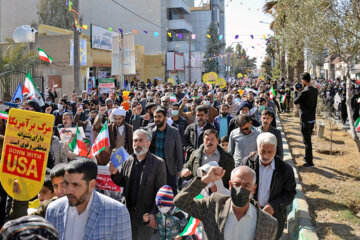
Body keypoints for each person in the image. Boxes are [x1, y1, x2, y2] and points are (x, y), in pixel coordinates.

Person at [174, 166, 278, 240]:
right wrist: (205, 180)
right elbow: (180, 202)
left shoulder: (269, 223)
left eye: (246, 185)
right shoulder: (213, 205)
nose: (240, 189)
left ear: (253, 189)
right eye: (237, 184)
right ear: (230, 185)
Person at [46, 158, 132, 240]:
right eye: (66, 183)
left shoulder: (117, 212)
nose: (68, 191)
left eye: (75, 185)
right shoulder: (53, 210)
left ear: (92, 184)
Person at [110, 129, 167, 240]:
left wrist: (153, 214)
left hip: (145, 215)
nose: (137, 144)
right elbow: (122, 182)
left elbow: (161, 192)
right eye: (134, 141)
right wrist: (115, 173)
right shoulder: (128, 160)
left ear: (148, 143)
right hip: (127, 214)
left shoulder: (158, 163)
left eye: (140, 140)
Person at [241, 132, 296, 240]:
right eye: (263, 151)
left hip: (273, 217)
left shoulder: (285, 170)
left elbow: (290, 193)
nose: (266, 155)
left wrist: (274, 206)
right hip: (249, 214)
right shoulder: (247, 163)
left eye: (270, 152)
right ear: (257, 148)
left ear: (275, 150)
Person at [147, 107, 183, 194]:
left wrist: (179, 169)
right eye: (155, 117)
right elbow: (136, 130)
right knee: (153, 190)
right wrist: (136, 116)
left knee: (170, 191)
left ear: (165, 118)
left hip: (169, 167)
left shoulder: (174, 132)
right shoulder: (150, 129)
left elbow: (178, 151)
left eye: (159, 117)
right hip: (153, 166)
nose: (157, 119)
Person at [294, 72, 318, 167]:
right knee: (308, 139)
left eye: (301, 81)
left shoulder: (304, 92)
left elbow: (296, 101)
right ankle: (307, 157)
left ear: (303, 81)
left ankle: (310, 162)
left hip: (305, 119)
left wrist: (295, 91)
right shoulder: (315, 90)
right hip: (312, 118)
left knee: (307, 141)